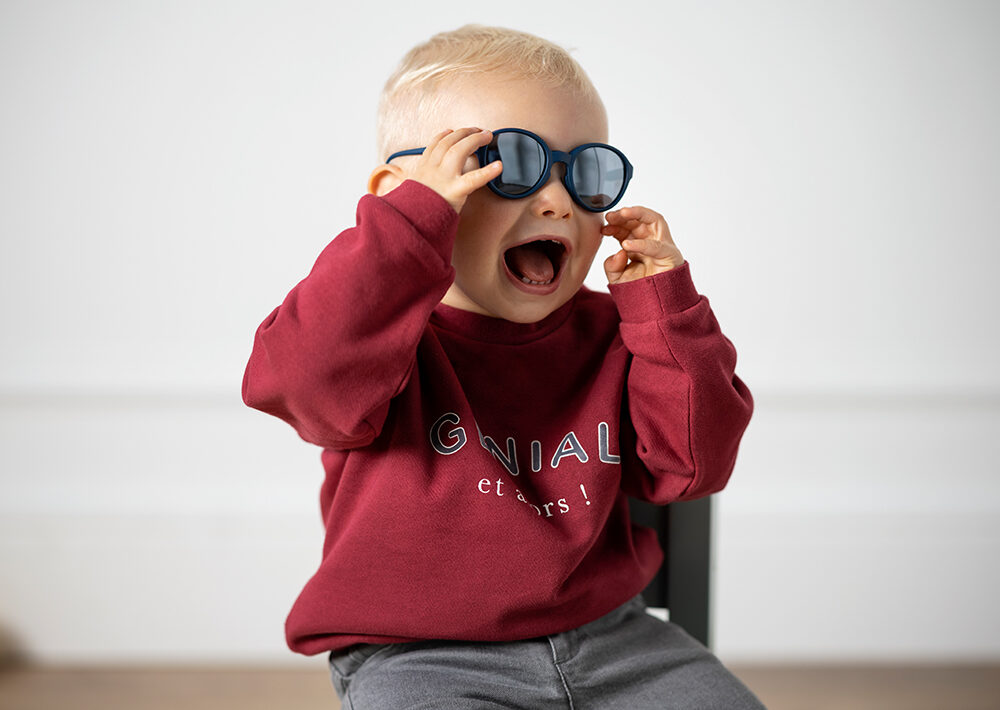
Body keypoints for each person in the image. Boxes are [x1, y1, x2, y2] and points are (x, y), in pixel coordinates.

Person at [242, 24, 763, 709]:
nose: (556, 201)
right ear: (408, 194)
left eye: (586, 173)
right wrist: (404, 231)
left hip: (619, 643)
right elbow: (298, 386)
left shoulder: (621, 335)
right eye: (508, 165)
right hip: (423, 658)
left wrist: (668, 314)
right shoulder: (379, 341)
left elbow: (693, 467)